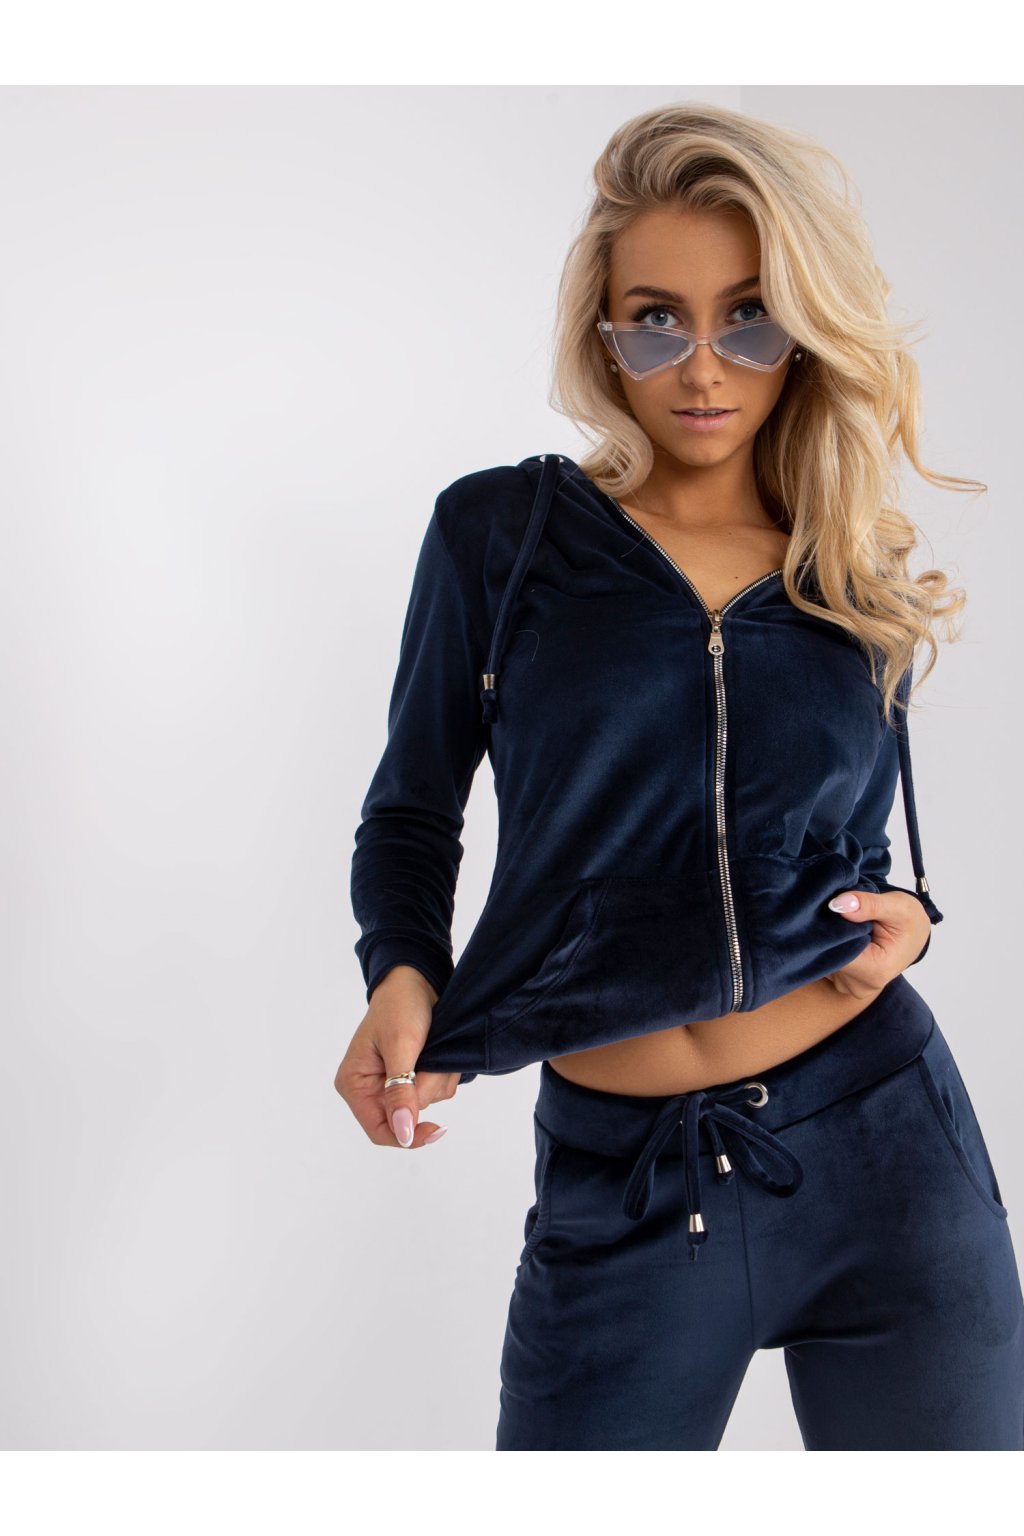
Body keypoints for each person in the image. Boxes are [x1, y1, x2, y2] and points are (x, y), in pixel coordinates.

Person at [336, 101, 1024, 1450]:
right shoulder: (504, 536)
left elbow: (839, 842)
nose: (703, 367)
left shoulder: (846, 558)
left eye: (750, 321)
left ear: (803, 331)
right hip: (627, 1183)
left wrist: (910, 921)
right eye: (657, 321)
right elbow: (412, 808)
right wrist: (403, 970)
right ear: (604, 331)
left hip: (884, 1146)